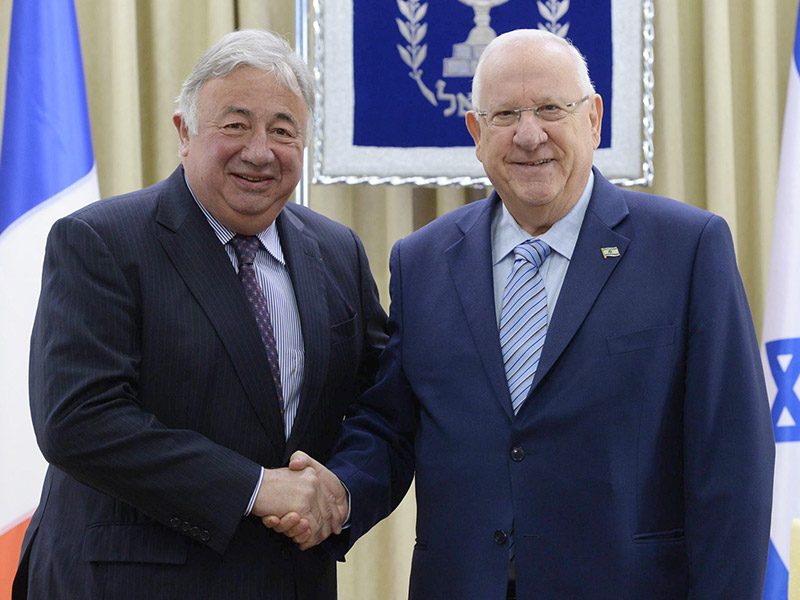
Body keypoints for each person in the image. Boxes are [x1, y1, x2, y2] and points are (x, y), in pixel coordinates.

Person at [273, 28, 776, 599]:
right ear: (476, 133)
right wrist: (337, 496)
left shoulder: (687, 249)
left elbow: (731, 463)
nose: (529, 134)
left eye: (550, 109)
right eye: (506, 114)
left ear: (593, 119)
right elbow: (392, 427)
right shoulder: (422, 261)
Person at [12, 29, 383, 600]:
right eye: (234, 125)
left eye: (283, 131)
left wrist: (339, 493)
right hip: (127, 583)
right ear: (184, 133)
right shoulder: (101, 241)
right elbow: (78, 419)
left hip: (290, 580)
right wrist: (256, 488)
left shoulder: (337, 252)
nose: (260, 151)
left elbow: (380, 404)